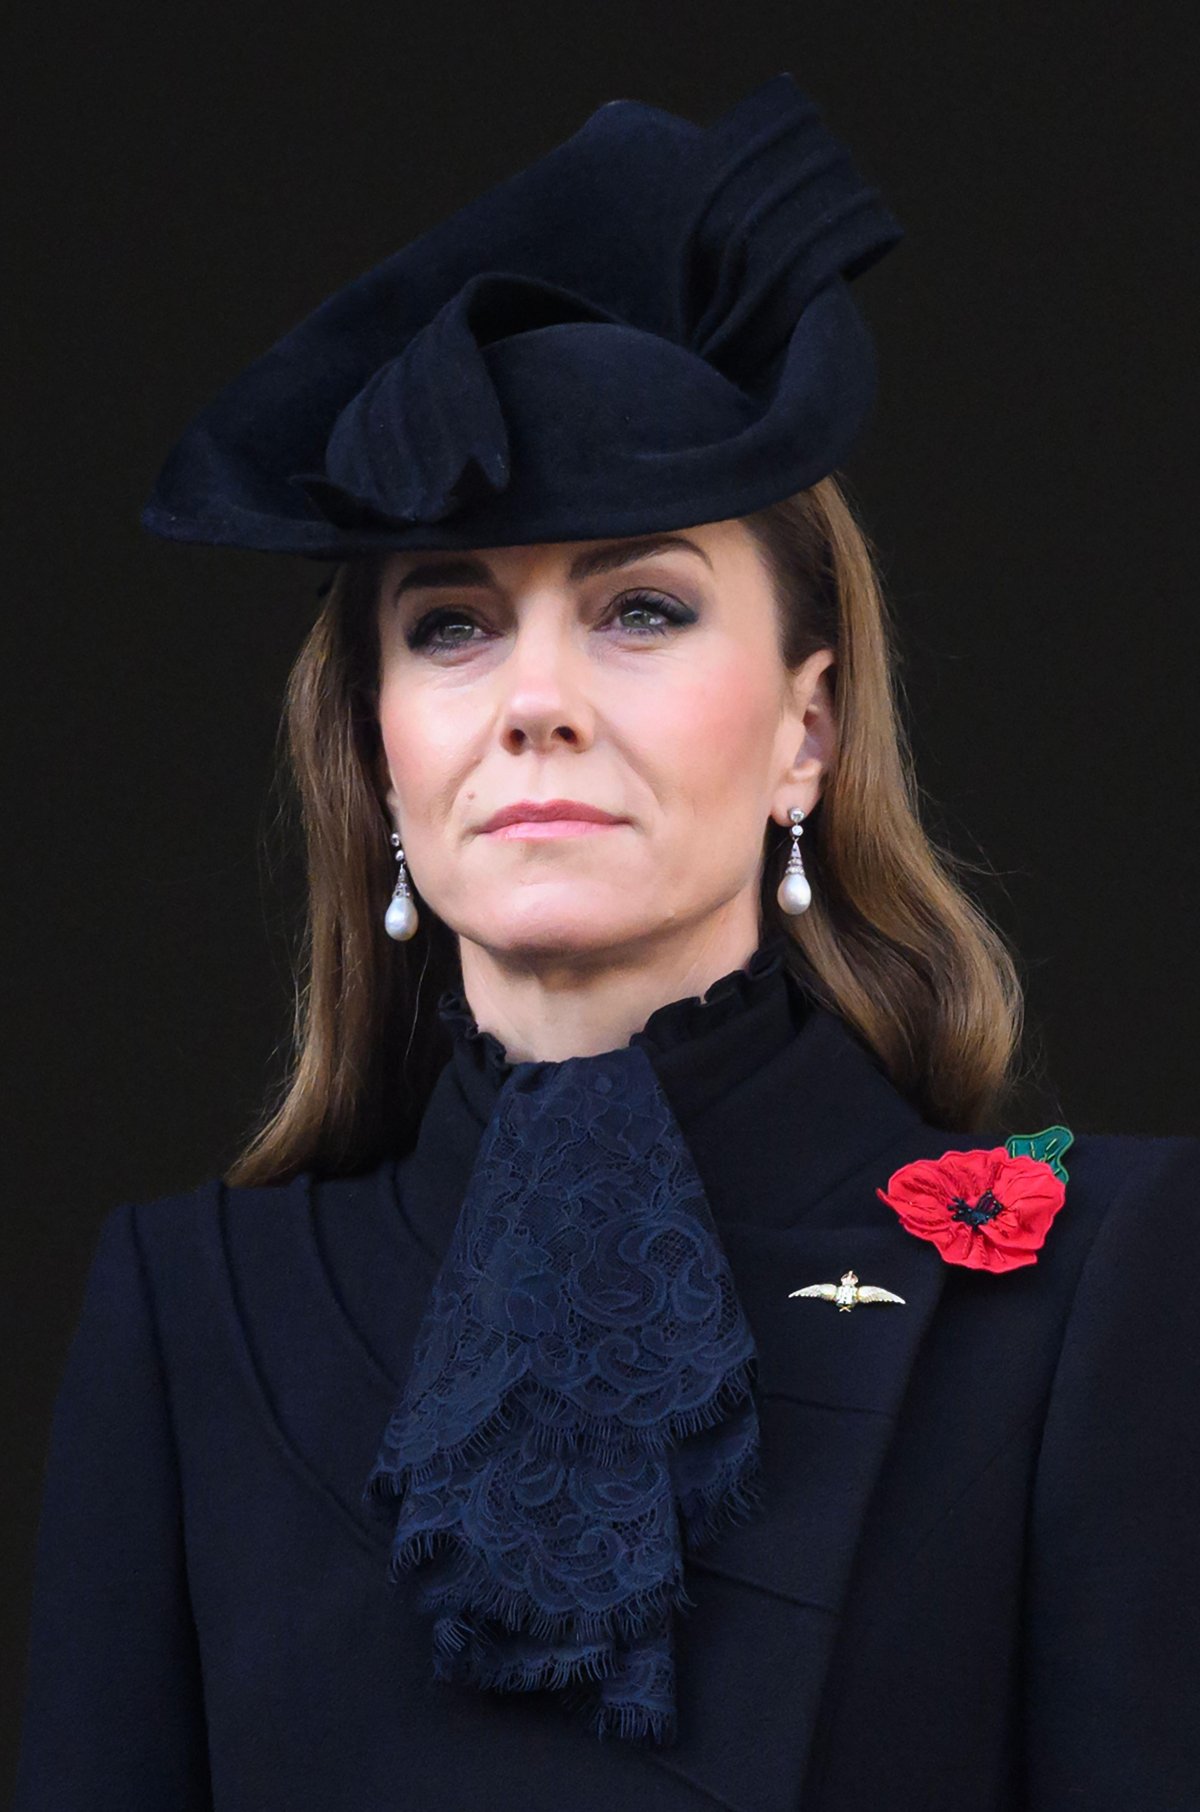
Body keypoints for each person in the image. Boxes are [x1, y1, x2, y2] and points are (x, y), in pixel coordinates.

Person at [13, 71, 1200, 1812]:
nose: (538, 704)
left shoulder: (1090, 1284)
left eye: (641, 608)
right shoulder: (190, 1313)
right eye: (452, 626)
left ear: (808, 726)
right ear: (374, 749)